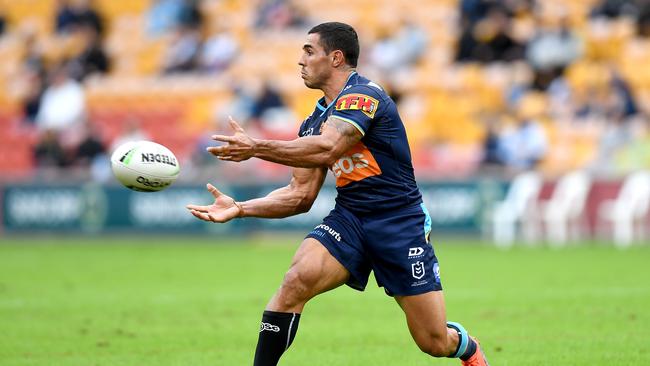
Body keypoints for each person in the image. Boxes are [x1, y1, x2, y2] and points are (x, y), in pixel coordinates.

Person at [186, 22, 490, 366]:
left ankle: (468, 349)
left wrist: (256, 146)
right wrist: (240, 208)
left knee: (433, 341)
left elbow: (329, 148)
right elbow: (299, 196)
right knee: (294, 283)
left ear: (336, 58)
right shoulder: (312, 123)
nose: (300, 60)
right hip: (350, 220)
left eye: (308, 51)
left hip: (399, 223)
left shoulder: (365, 96)